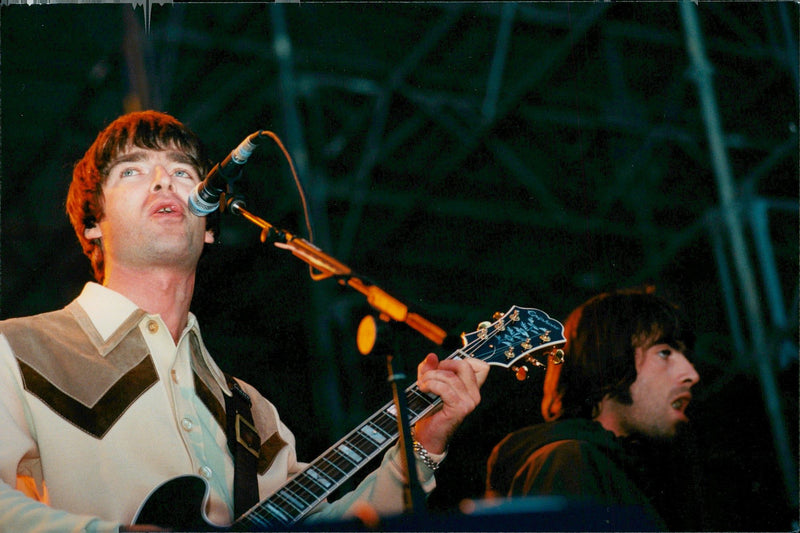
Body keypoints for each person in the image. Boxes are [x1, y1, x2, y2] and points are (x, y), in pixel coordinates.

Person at [0, 110, 489, 532]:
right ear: (91, 223)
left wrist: (420, 447)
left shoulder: (251, 412)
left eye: (183, 172)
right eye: (132, 171)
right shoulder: (17, 351)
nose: (163, 181)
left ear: (209, 225)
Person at [485, 288, 701, 530]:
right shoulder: (568, 460)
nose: (691, 375)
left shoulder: (624, 476)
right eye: (665, 353)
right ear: (611, 361)